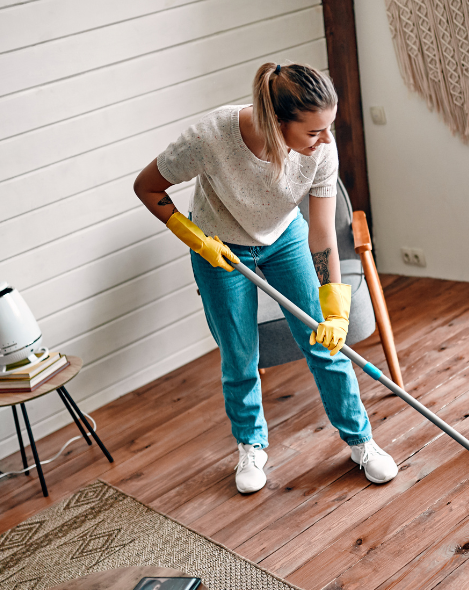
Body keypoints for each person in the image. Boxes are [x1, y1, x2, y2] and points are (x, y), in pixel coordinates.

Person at [133, 63, 398, 494]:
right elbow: (147, 186)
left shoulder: (321, 151)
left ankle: (361, 441)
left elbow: (323, 232)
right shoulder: (211, 136)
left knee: (325, 344)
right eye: (313, 131)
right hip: (218, 247)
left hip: (284, 237)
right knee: (239, 354)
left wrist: (334, 307)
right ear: (277, 123)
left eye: (329, 127)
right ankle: (251, 445)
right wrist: (194, 236)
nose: (326, 140)